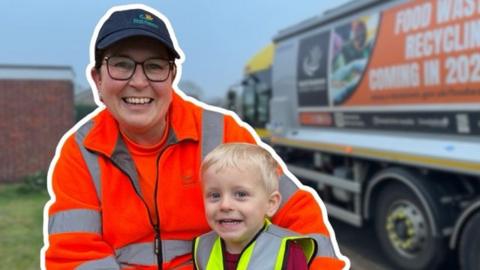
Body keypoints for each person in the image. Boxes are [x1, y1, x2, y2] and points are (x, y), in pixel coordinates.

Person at [42, 4, 347, 270]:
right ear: (97, 79)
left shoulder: (222, 133)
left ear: (172, 77)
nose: (138, 82)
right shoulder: (80, 152)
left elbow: (296, 211)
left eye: (154, 66)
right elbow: (75, 254)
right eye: (121, 65)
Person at [193, 143, 316, 270]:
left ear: (271, 204)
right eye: (215, 195)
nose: (225, 205)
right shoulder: (202, 249)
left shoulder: (288, 252)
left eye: (241, 194)